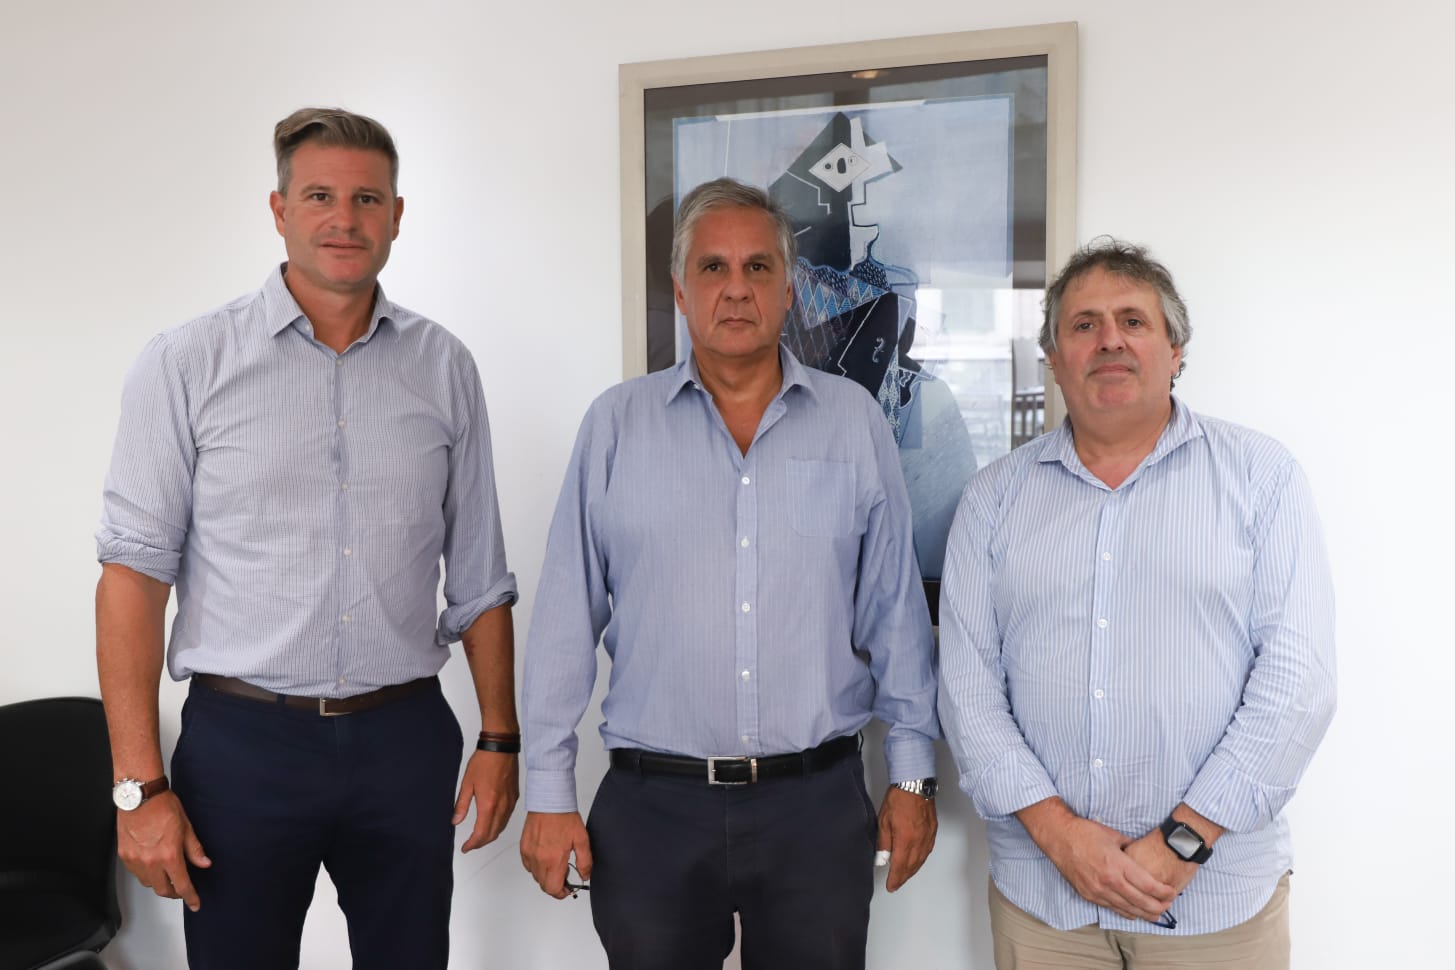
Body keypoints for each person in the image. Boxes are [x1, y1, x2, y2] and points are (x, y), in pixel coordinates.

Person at [94, 107, 519, 970]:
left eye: (368, 198)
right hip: (243, 745)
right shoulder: (186, 363)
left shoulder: (444, 367)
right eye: (320, 195)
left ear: (397, 215)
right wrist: (137, 788)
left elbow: (479, 576)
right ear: (279, 209)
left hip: (404, 741)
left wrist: (498, 737)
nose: (345, 219)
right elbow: (132, 578)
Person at [519, 177, 940, 970]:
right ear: (681, 291)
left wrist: (913, 779)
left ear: (788, 291)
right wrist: (547, 791)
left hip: (815, 807)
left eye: (757, 268)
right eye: (713, 268)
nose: (736, 289)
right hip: (652, 810)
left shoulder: (851, 422)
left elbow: (893, 615)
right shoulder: (615, 425)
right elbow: (563, 622)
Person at [937, 237, 1336, 969]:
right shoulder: (992, 499)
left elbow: (1297, 680)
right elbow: (967, 688)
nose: (1109, 340)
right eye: (1083, 324)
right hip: (1044, 900)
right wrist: (1060, 837)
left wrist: (1184, 840)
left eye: (1132, 320)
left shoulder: (1262, 478)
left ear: (1175, 350)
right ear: (1053, 358)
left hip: (1214, 899)